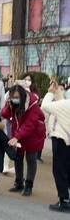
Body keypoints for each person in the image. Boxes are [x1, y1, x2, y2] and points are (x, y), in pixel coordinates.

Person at [1, 85, 46, 197]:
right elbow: (4, 114)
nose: (14, 99)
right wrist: (8, 106)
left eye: (16, 97)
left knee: (31, 159)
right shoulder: (13, 103)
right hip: (19, 134)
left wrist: (16, 137)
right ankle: (19, 183)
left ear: (22, 96)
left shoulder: (33, 105)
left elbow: (30, 124)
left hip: (34, 135)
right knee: (18, 158)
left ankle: (29, 185)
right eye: (12, 97)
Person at [41, 81, 70, 213]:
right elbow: (60, 102)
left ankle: (64, 201)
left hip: (61, 140)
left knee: (59, 171)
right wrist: (58, 92)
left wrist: (50, 92)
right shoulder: (65, 103)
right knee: (67, 171)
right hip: (66, 141)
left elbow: (45, 106)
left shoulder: (65, 104)